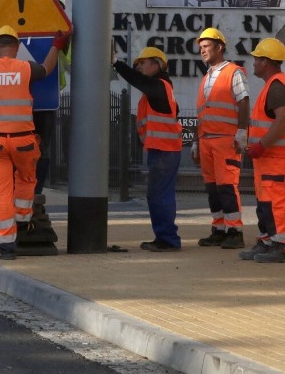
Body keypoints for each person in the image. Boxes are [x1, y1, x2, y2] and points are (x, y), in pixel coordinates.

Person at [0, 25, 68, 260]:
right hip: (23, 140)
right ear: (16, 46)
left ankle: (5, 247)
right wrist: (56, 45)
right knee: (26, 179)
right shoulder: (25, 68)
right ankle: (23, 219)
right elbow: (46, 68)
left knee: (2, 194)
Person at [112, 45, 182, 251]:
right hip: (164, 150)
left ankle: (168, 239)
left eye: (143, 63)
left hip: (164, 151)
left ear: (157, 65)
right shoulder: (162, 89)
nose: (140, 66)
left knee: (160, 195)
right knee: (159, 195)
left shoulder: (159, 85)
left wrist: (117, 63)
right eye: (138, 64)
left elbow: (138, 80)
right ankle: (165, 237)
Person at [192, 28, 250, 249]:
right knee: (212, 187)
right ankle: (219, 228)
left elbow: (244, 101)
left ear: (220, 47)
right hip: (207, 139)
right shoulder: (206, 78)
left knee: (226, 186)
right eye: (201, 48)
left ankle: (235, 230)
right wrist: (196, 142)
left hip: (226, 139)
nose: (202, 51)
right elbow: (201, 114)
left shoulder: (234, 72)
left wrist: (242, 131)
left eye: (206, 46)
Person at [243, 38, 285, 263]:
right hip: (267, 160)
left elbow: (283, 120)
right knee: (266, 204)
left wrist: (261, 145)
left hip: (275, 159)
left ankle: (281, 246)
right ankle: (269, 241)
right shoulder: (272, 86)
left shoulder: (277, 86)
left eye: (257, 59)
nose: (254, 63)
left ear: (266, 61)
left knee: (277, 203)